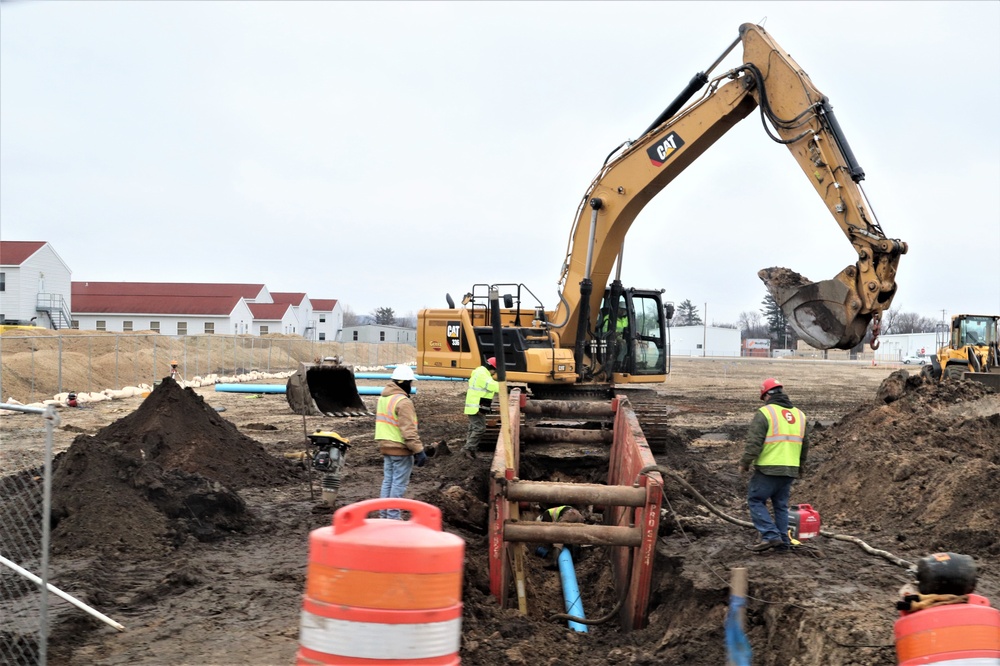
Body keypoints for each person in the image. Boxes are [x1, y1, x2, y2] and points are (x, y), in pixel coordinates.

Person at [739, 378, 810, 553]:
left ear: (767, 395)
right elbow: (805, 444)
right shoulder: (800, 415)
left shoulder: (765, 413)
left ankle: (771, 536)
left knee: (756, 500)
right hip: (790, 469)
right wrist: (800, 467)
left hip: (768, 468)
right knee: (780, 505)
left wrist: (745, 462)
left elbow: (754, 442)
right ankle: (783, 542)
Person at [375, 365, 427, 519]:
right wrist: (419, 450)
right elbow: (408, 430)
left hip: (386, 447)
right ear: (403, 382)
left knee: (388, 482)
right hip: (401, 449)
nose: (410, 386)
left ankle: (384, 515)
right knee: (398, 484)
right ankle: (393, 517)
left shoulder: (384, 398)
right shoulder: (403, 402)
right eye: (410, 383)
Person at [462, 356, 499, 459]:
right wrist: (505, 387)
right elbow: (491, 385)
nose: (494, 374)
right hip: (476, 406)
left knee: (473, 428)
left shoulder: (480, 372)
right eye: (495, 371)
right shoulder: (483, 375)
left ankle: (469, 450)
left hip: (476, 406)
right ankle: (468, 448)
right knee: (480, 429)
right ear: (492, 368)